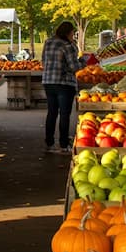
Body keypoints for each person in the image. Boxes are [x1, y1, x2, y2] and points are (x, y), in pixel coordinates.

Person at [42, 21, 80, 155]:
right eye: (72, 33)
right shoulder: (67, 45)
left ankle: (49, 143)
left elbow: (43, 61)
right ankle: (63, 144)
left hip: (48, 81)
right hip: (64, 83)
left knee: (52, 112)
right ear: (68, 33)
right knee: (64, 114)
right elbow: (74, 67)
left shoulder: (48, 42)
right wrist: (84, 63)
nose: (73, 36)